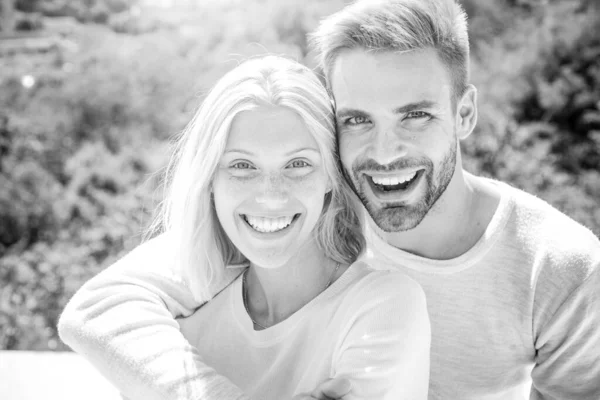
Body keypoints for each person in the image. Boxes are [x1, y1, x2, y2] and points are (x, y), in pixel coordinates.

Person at [59, 0, 600, 399]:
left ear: (464, 114)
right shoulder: (301, 215)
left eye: (416, 115)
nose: (385, 153)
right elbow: (104, 305)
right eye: (357, 120)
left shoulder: (559, 267)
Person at [59, 55, 431, 400]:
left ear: (331, 178)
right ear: (210, 180)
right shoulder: (194, 293)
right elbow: (91, 310)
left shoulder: (382, 304)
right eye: (242, 166)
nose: (271, 195)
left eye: (298, 164)